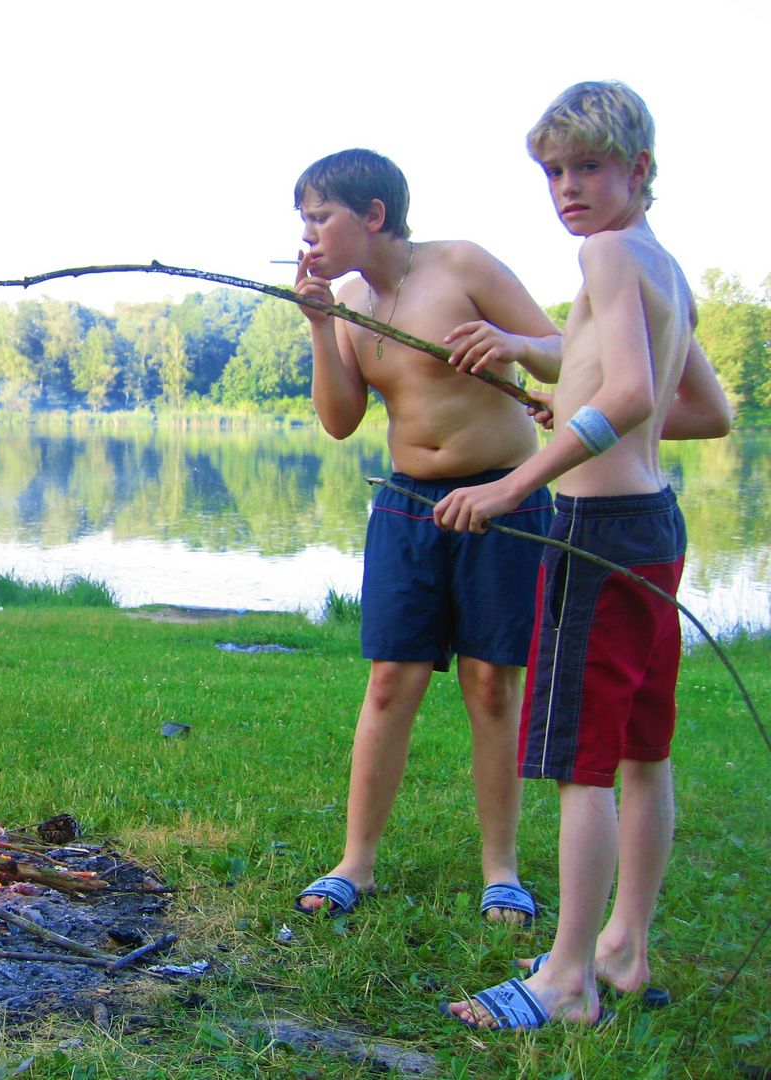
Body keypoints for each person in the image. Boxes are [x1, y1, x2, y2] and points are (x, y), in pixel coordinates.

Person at [435, 82, 733, 1029]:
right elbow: (706, 410)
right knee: (644, 749)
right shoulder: (663, 267)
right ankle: (625, 951)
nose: (567, 187)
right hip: (653, 527)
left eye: (588, 167)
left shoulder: (603, 251)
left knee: (583, 762)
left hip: (596, 536)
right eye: (554, 171)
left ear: (639, 170)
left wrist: (518, 481)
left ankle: (565, 980)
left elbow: (635, 395)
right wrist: (553, 387)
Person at [291, 148, 563, 923]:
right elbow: (341, 420)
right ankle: (356, 864)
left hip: (502, 501)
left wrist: (515, 348)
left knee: (490, 684)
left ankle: (502, 871)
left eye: (321, 217)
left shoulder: (462, 265)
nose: (307, 234)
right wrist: (321, 325)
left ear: (372, 215)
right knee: (389, 682)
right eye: (302, 220)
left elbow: (564, 348)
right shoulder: (345, 300)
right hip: (408, 507)